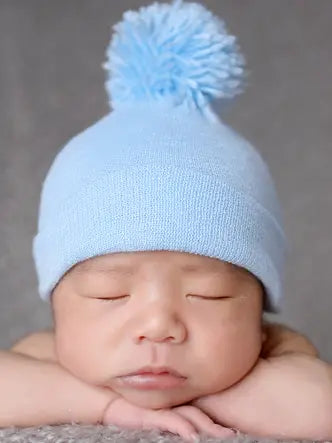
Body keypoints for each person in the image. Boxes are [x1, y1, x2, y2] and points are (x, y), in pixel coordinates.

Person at [1, 0, 331, 440]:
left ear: (258, 309)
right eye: (109, 294)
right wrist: (111, 407)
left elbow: (320, 410)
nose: (158, 326)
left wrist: (203, 388)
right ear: (57, 304)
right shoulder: (44, 355)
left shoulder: (278, 349)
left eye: (208, 294)